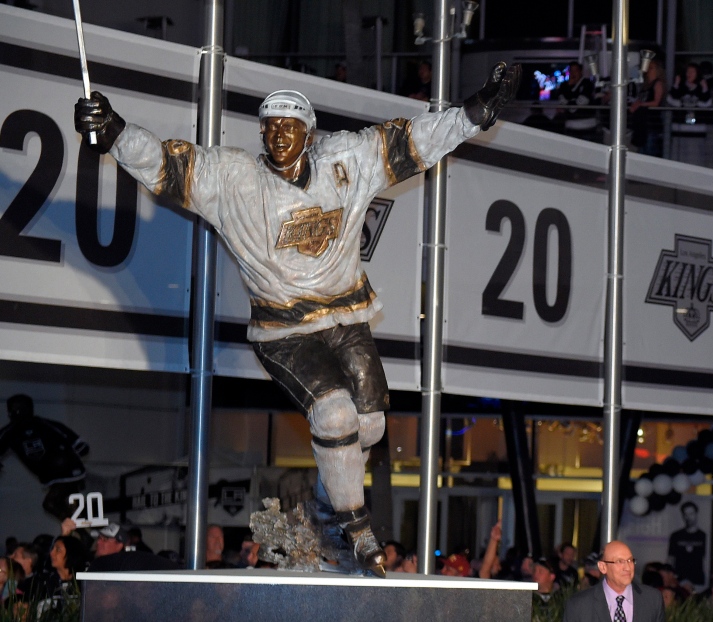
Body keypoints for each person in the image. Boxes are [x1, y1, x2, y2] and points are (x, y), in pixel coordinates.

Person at [74, 62, 520, 578]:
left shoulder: (346, 160)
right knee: (334, 417)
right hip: (284, 330)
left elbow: (413, 141)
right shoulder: (234, 179)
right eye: (271, 126)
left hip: (346, 317)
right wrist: (114, 132)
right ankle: (356, 531)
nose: (280, 135)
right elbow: (170, 165)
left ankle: (326, 502)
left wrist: (473, 113)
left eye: (290, 126)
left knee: (369, 427)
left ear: (310, 134)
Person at [0, 394, 90, 520]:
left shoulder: (44, 425)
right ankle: (82, 532)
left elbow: (79, 444)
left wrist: (72, 453)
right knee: (68, 506)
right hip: (52, 475)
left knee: (50, 503)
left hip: (68, 470)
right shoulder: (10, 432)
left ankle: (77, 528)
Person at [563, 540, 665, 622]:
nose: (627, 567)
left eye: (630, 560)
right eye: (619, 562)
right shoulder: (579, 605)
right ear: (603, 567)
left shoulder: (653, 599)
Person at [552, 62, 598, 140]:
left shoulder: (588, 84)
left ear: (580, 71)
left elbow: (582, 101)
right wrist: (569, 87)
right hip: (570, 126)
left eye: (575, 71)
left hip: (588, 126)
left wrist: (569, 103)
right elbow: (562, 99)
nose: (573, 74)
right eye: (571, 71)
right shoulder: (564, 85)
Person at [629, 59, 666, 157]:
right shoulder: (645, 86)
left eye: (651, 68)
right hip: (642, 124)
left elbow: (656, 102)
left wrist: (641, 104)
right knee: (642, 150)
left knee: (649, 151)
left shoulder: (658, 83)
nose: (649, 70)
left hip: (651, 123)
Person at [667, 501, 707, 588]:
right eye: (686, 514)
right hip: (679, 580)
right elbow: (670, 558)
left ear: (696, 514)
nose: (688, 517)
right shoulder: (676, 536)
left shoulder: (703, 536)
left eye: (691, 513)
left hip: (698, 580)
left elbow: (706, 559)